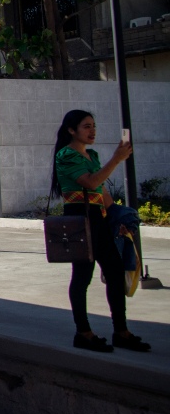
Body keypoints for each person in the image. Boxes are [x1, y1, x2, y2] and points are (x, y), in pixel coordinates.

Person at [52, 109, 150, 352]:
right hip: (78, 219)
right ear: (71, 130)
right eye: (86, 126)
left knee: (115, 272)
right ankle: (83, 332)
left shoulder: (91, 155)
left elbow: (101, 193)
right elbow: (90, 183)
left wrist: (118, 217)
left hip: (99, 220)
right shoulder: (66, 155)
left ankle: (121, 331)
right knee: (82, 277)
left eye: (93, 125)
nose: (92, 130)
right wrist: (116, 159)